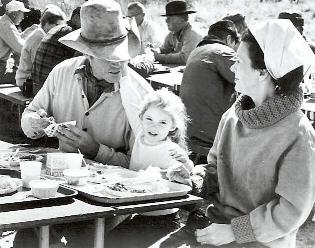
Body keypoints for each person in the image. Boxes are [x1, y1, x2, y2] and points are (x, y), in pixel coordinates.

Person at [159, 19, 315, 248]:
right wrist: (194, 178)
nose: (232, 68)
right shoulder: (233, 115)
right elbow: (215, 169)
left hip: (261, 241)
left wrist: (235, 231)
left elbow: (291, 210)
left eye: (239, 61)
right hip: (216, 227)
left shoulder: (298, 134)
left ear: (263, 72)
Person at [16, 0, 152, 247]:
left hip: (108, 198)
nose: (119, 65)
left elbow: (143, 168)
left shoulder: (140, 94)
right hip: (58, 185)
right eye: (110, 58)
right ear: (87, 53)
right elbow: (30, 115)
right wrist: (35, 123)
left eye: (123, 56)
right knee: (25, 234)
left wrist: (96, 151)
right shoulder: (62, 72)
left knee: (85, 239)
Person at [106, 88, 193, 248]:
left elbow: (186, 170)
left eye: (163, 122)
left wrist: (185, 164)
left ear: (173, 126)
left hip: (163, 218)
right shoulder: (140, 136)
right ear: (141, 118)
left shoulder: (171, 149)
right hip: (138, 213)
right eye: (149, 119)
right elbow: (131, 102)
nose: (154, 127)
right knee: (109, 241)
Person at [180, 20, 239, 164]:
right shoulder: (223, 51)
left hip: (190, 131)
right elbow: (250, 81)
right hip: (210, 137)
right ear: (229, 40)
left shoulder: (197, 51)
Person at [31, 6, 81, 94]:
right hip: (50, 90)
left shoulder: (57, 29)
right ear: (76, 18)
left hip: (36, 86)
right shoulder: (71, 34)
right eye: (87, 20)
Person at [15, 4, 66, 88]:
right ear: (47, 24)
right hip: (27, 83)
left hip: (30, 80)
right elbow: (37, 66)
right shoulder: (39, 38)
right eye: (57, 25)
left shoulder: (40, 34)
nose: (59, 29)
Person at [151, 0, 202, 65]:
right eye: (166, 18)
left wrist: (160, 57)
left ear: (183, 18)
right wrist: (154, 51)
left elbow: (185, 58)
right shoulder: (172, 34)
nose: (166, 21)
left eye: (170, 18)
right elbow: (164, 49)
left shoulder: (192, 33)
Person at [0, 0, 36, 80]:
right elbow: (19, 47)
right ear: (15, 13)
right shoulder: (7, 25)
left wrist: (29, 31)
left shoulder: (3, 21)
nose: (23, 17)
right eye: (22, 14)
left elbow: (13, 39)